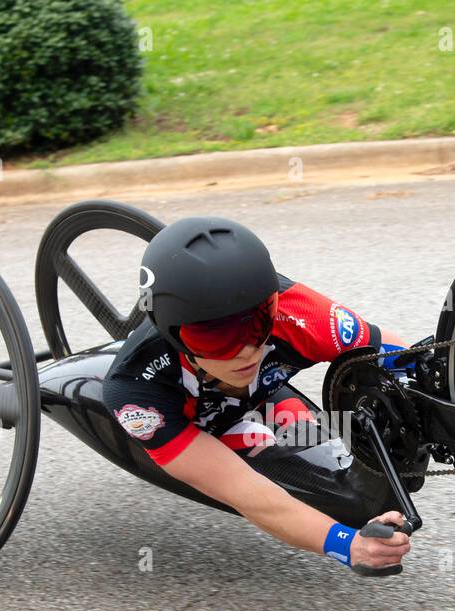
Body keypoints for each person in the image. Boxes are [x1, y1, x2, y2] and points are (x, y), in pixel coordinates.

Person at [101, 216, 415, 574]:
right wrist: (349, 546)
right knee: (350, 505)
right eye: (216, 339)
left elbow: (418, 360)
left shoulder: (295, 310)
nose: (247, 351)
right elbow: (246, 493)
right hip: (202, 425)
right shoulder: (137, 392)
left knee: (364, 489)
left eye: (259, 323)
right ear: (174, 335)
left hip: (257, 398)